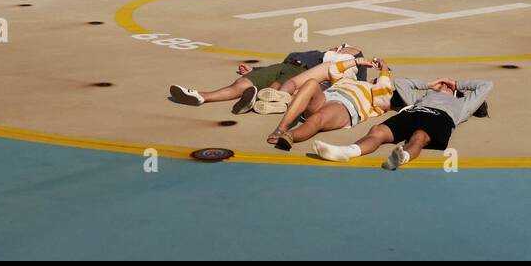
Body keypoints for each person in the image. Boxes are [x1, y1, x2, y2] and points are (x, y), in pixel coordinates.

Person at [312, 75, 494, 169]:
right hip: (413, 112)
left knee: (419, 137)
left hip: (440, 117)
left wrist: (457, 83)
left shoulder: (462, 104)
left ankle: (401, 158)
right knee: (378, 131)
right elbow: (400, 82)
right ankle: (346, 151)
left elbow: (486, 85)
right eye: (443, 84)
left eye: (448, 87)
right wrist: (429, 85)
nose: (444, 86)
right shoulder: (419, 98)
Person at [168, 44, 365, 115]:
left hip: (298, 73)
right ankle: (201, 96)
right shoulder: (315, 53)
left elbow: (345, 80)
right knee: (242, 83)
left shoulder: (329, 67)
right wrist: (255, 68)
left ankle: (254, 102)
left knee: (276, 87)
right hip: (280, 66)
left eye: (346, 48)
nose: (340, 48)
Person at [266, 53, 393, 150]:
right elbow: (333, 69)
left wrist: (384, 70)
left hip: (344, 106)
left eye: (381, 79)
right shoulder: (349, 81)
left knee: (318, 118)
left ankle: (291, 135)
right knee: (311, 83)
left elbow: (384, 97)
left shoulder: (375, 97)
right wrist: (357, 61)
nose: (379, 79)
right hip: (325, 98)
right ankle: (281, 128)